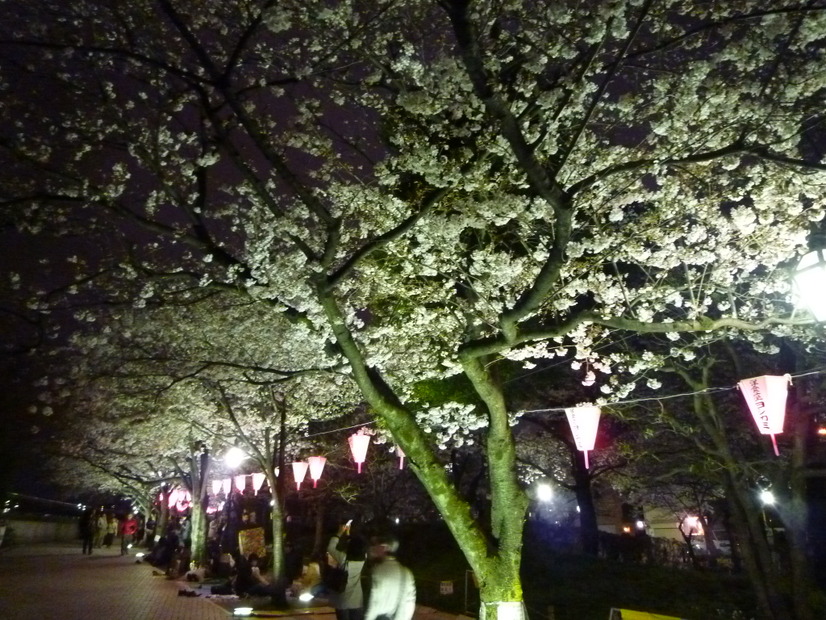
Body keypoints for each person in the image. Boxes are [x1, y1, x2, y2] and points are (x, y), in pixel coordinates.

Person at [364, 533, 415, 620]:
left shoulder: (377, 571)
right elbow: (409, 603)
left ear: (384, 548)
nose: (371, 549)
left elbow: (374, 604)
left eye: (375, 545)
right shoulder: (406, 572)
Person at [327, 522, 367, 620]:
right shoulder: (364, 557)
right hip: (356, 599)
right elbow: (354, 545)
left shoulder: (344, 558)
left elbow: (330, 548)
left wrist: (339, 533)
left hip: (342, 598)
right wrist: (348, 533)